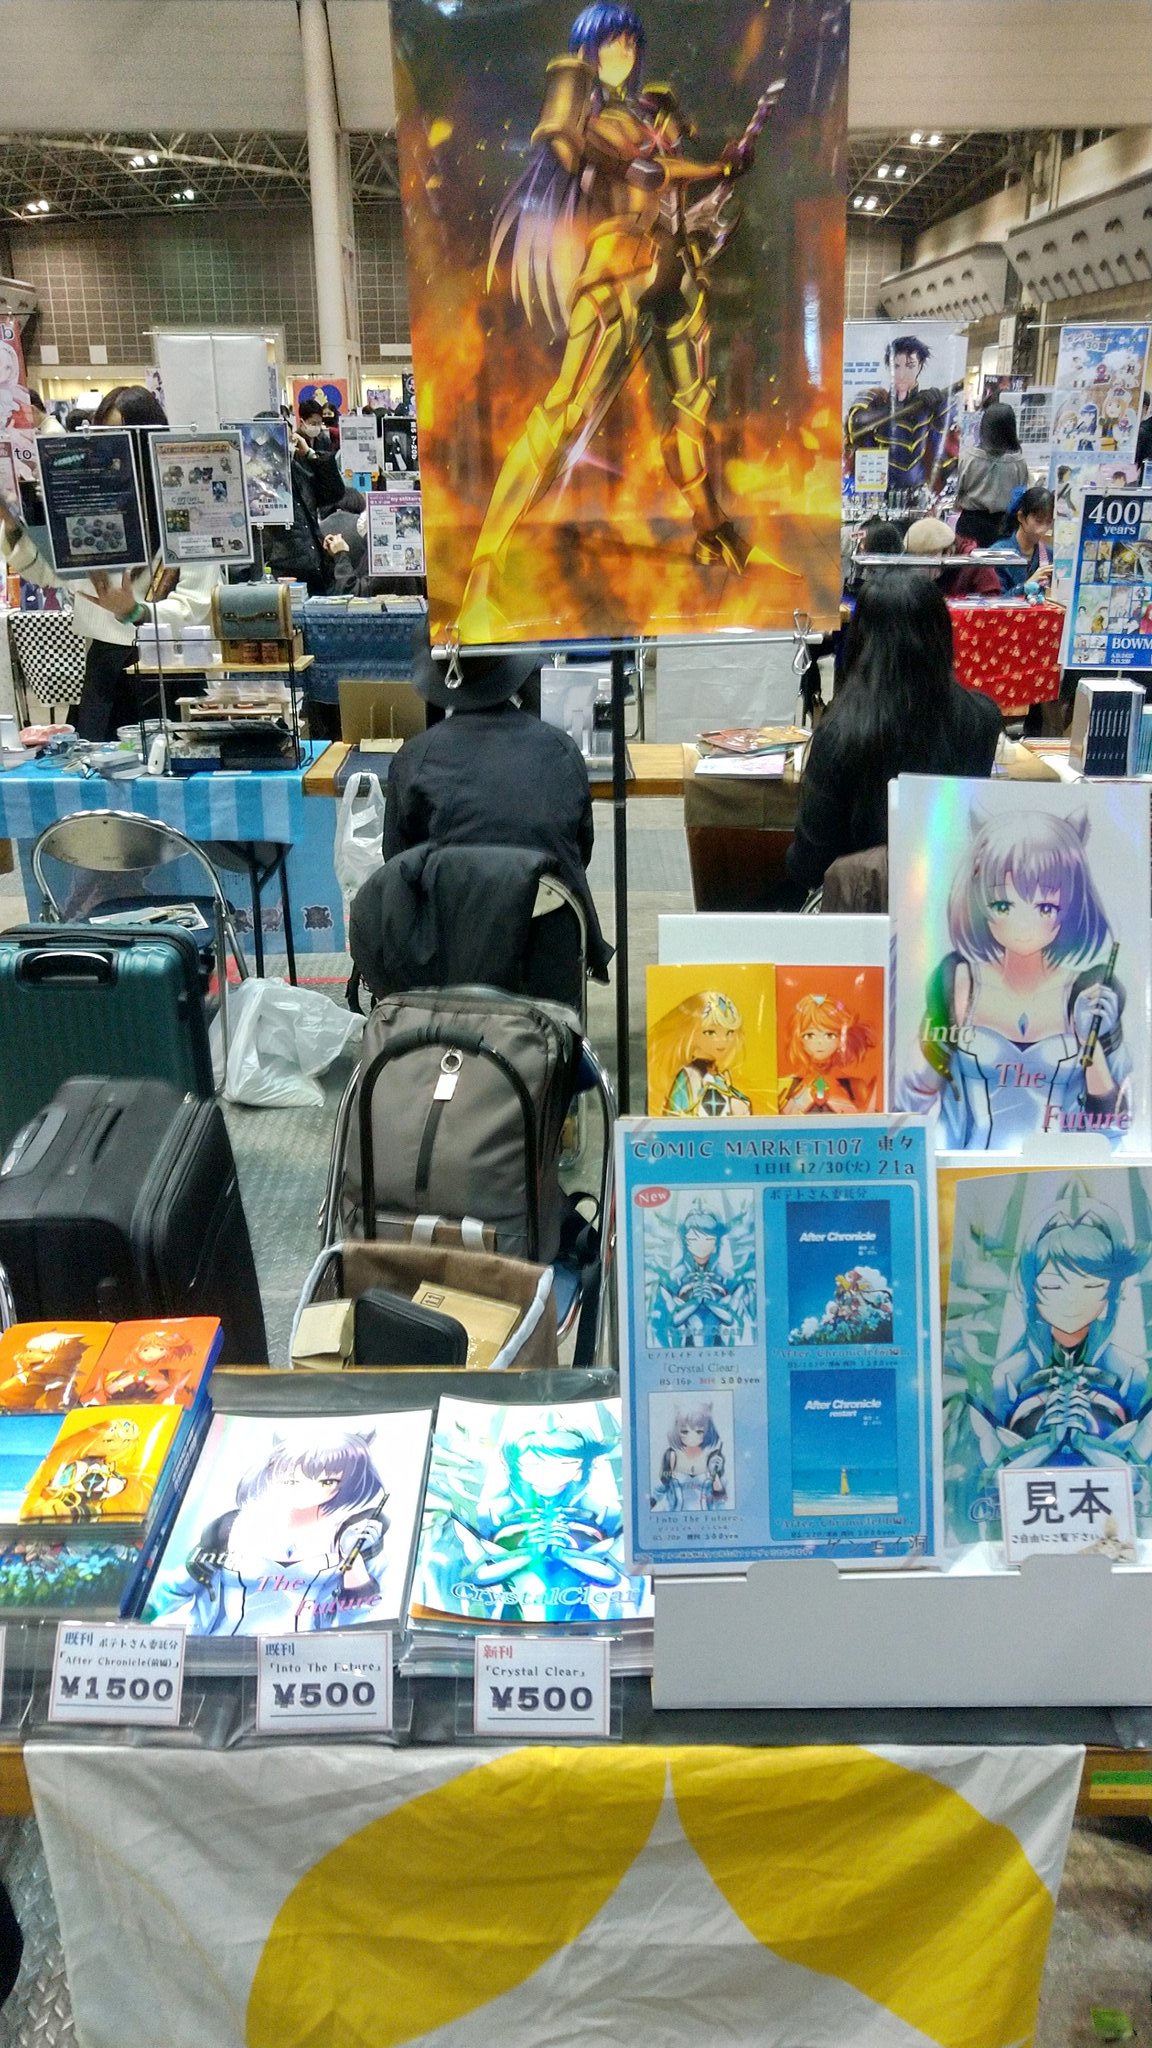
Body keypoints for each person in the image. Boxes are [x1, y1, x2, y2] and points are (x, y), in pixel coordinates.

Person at [455, 0, 780, 638]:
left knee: (692, 409)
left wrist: (718, 176)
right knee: (564, 412)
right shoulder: (582, 106)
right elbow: (608, 158)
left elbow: (666, 179)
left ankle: (713, 531)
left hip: (673, 266)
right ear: (589, 48)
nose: (624, 52)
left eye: (631, 43)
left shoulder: (649, 113)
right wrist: (690, 164)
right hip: (617, 267)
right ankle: (482, 578)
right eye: (612, 42)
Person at [0, 384, 219, 740]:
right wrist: (13, 526)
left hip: (170, 666)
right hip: (102, 668)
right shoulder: (89, 502)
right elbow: (52, 575)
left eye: (121, 437)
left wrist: (135, 612)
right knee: (99, 768)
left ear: (147, 439)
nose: (110, 450)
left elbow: (196, 605)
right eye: (101, 437)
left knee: (171, 763)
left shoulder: (186, 507)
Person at [382, 649, 610, 977]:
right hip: (549, 942)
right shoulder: (561, 747)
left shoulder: (413, 758)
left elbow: (397, 862)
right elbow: (580, 848)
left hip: (448, 951)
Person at [785, 576, 1001, 900]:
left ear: (861, 640)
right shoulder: (982, 719)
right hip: (947, 906)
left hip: (860, 913)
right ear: (942, 634)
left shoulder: (839, 733)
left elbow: (810, 865)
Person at [844, 334, 958, 507]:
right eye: (896, 366)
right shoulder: (876, 398)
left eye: (910, 366)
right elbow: (856, 421)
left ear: (919, 366)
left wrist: (938, 403)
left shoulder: (929, 403)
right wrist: (895, 409)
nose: (902, 374)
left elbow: (948, 437)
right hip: (876, 491)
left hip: (919, 490)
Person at [260, 411, 345, 594]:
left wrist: (310, 454)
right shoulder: (256, 480)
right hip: (281, 570)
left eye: (289, 439)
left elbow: (333, 493)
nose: (286, 445)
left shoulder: (296, 468)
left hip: (314, 566)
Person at [952, 402, 1029, 547]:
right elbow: (1020, 496)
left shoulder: (968, 457)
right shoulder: (1019, 463)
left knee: (967, 561)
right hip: (1003, 527)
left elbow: (958, 490)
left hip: (970, 524)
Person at [904, 516, 1001, 597]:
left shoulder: (975, 564)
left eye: (929, 557)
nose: (922, 567)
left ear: (948, 551)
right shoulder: (911, 569)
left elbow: (990, 602)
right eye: (916, 559)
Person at [988, 486, 1054, 593]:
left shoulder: (1049, 555)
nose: (1043, 529)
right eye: (1038, 521)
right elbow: (994, 599)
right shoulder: (997, 554)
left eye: (1049, 522)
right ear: (1021, 517)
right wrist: (1025, 587)